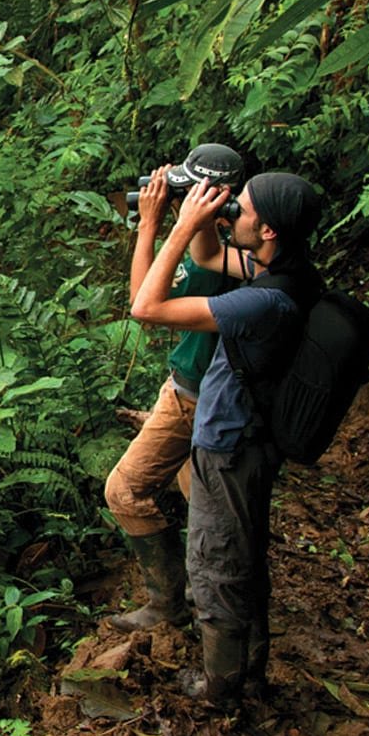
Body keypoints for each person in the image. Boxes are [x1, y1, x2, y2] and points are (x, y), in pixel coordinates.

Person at [130, 170, 324, 704]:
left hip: (231, 443)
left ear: (268, 232)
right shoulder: (286, 271)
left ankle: (221, 688)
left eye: (243, 207)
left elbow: (146, 307)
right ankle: (249, 673)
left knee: (215, 564)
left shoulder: (264, 301)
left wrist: (166, 227)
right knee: (240, 557)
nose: (234, 208)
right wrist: (199, 219)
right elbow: (213, 257)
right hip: (251, 437)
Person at [103, 145, 241, 631]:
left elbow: (142, 302)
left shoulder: (213, 262)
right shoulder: (233, 248)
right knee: (202, 503)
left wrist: (151, 225)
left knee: (123, 491)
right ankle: (209, 597)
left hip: (194, 398)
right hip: (196, 393)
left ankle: (168, 605)